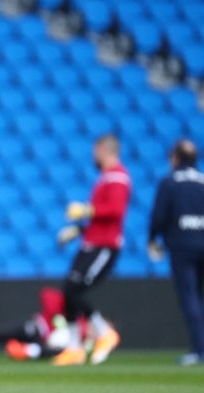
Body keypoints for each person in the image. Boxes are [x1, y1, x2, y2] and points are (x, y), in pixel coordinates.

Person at [148, 139, 204, 366]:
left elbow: (159, 216)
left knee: (189, 296)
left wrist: (153, 239)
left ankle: (199, 351)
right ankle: (201, 348)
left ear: (175, 158)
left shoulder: (170, 182)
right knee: (199, 295)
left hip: (182, 245)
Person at [54, 134, 131, 366]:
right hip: (92, 243)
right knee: (68, 291)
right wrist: (79, 230)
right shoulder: (107, 177)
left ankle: (104, 332)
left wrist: (87, 210)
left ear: (104, 150)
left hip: (105, 246)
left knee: (74, 290)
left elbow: (115, 211)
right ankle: (75, 347)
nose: (93, 156)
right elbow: (101, 217)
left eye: (95, 151)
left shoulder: (118, 177)